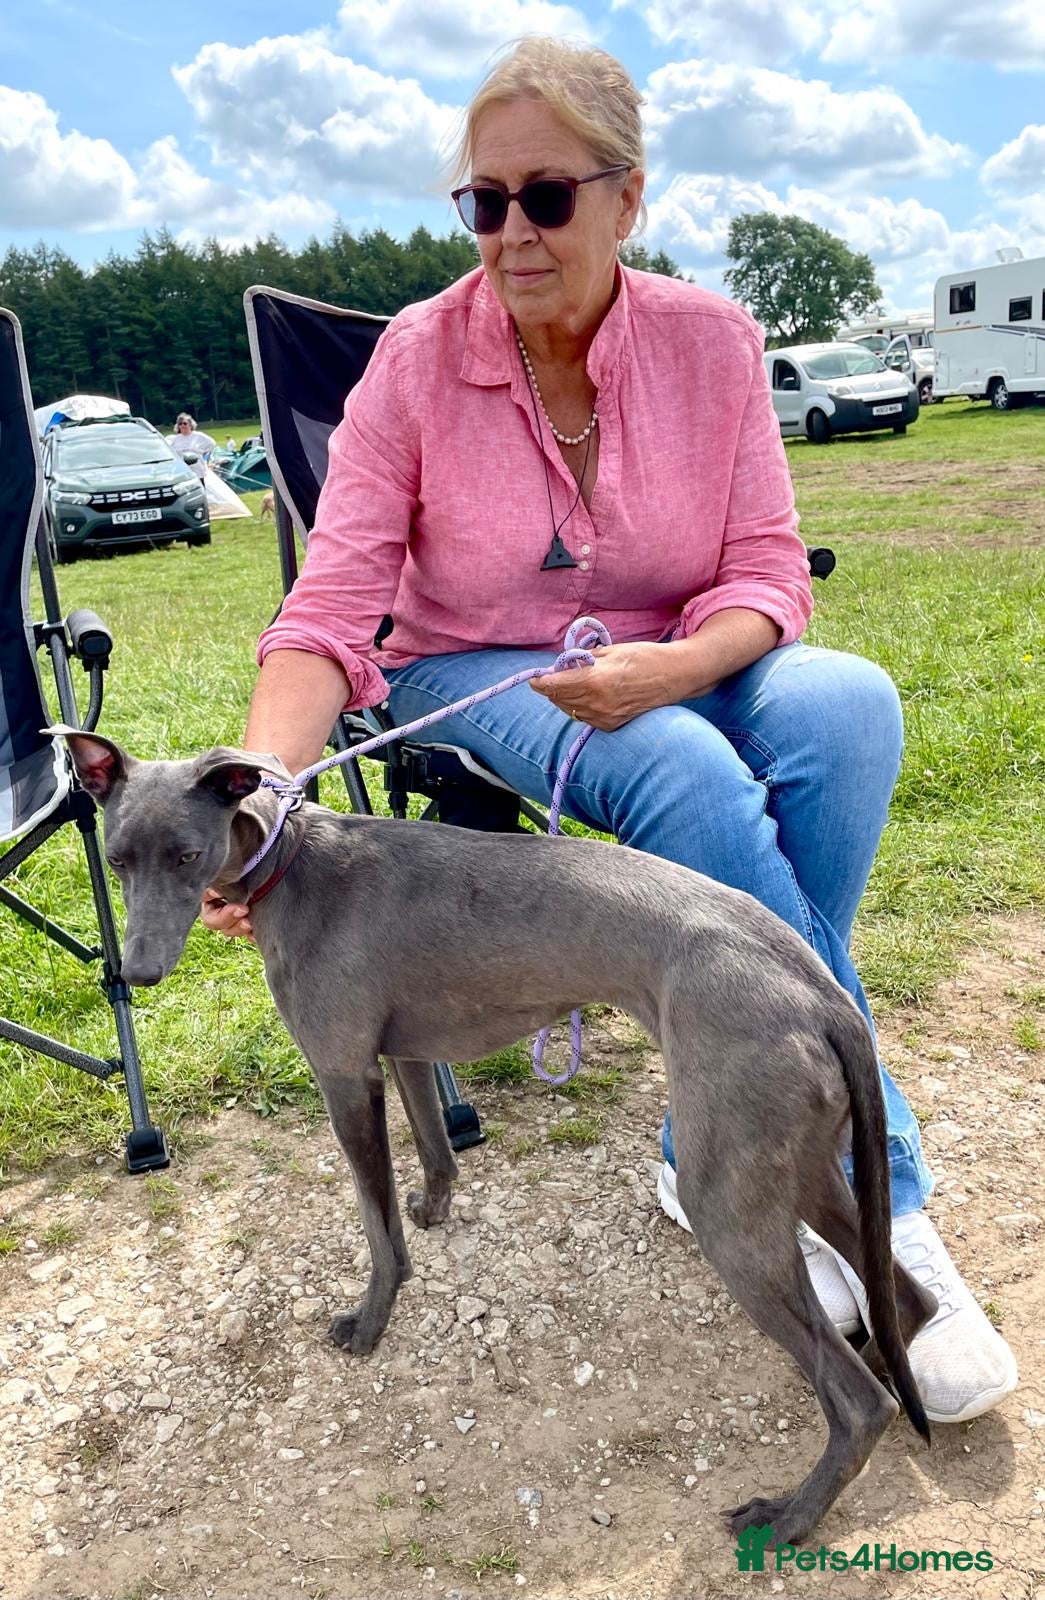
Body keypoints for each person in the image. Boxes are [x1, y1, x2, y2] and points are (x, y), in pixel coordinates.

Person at [202, 36, 1016, 1423]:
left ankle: (717, 1123)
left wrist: (675, 661)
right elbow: (331, 602)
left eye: (548, 198)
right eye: (483, 202)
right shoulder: (414, 359)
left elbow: (766, 564)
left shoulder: (713, 340)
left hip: (685, 648)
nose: (511, 232)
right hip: (489, 668)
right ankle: (890, 1212)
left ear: (627, 199)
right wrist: (265, 793)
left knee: (851, 708)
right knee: (693, 784)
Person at [167, 412, 216, 479]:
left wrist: (203, 453)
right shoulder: (174, 439)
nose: (182, 425)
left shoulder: (198, 436)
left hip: (197, 472)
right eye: (180, 424)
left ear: (190, 425)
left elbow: (212, 443)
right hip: (182, 473)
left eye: (185, 423)